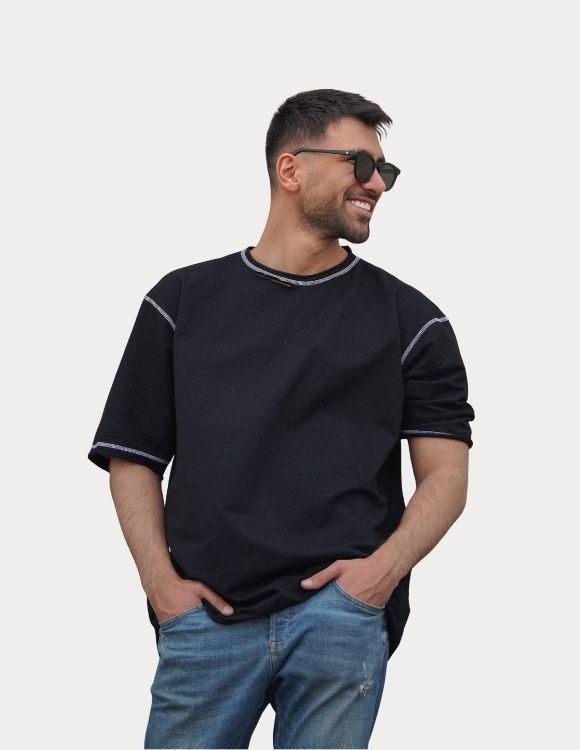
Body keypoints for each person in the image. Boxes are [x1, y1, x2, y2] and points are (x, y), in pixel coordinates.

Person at [88, 88, 475, 749]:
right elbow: (133, 456)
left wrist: (377, 578)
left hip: (339, 623)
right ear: (290, 169)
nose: (377, 183)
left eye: (385, 169)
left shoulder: (413, 322)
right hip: (204, 621)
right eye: (359, 162)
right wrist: (161, 587)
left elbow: (446, 476)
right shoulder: (180, 302)